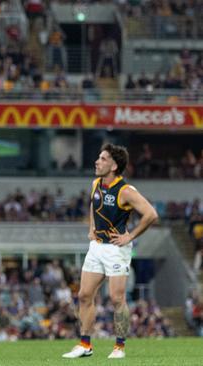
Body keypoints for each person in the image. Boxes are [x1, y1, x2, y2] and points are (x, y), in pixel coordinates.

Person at [62, 143, 158, 359]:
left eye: (103, 159)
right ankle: (85, 344)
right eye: (99, 157)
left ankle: (119, 348)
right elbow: (93, 204)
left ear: (114, 166)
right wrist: (91, 228)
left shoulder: (126, 191)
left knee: (117, 299)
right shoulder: (96, 183)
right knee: (84, 295)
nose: (97, 161)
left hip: (116, 249)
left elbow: (151, 214)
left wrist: (130, 236)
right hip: (96, 247)